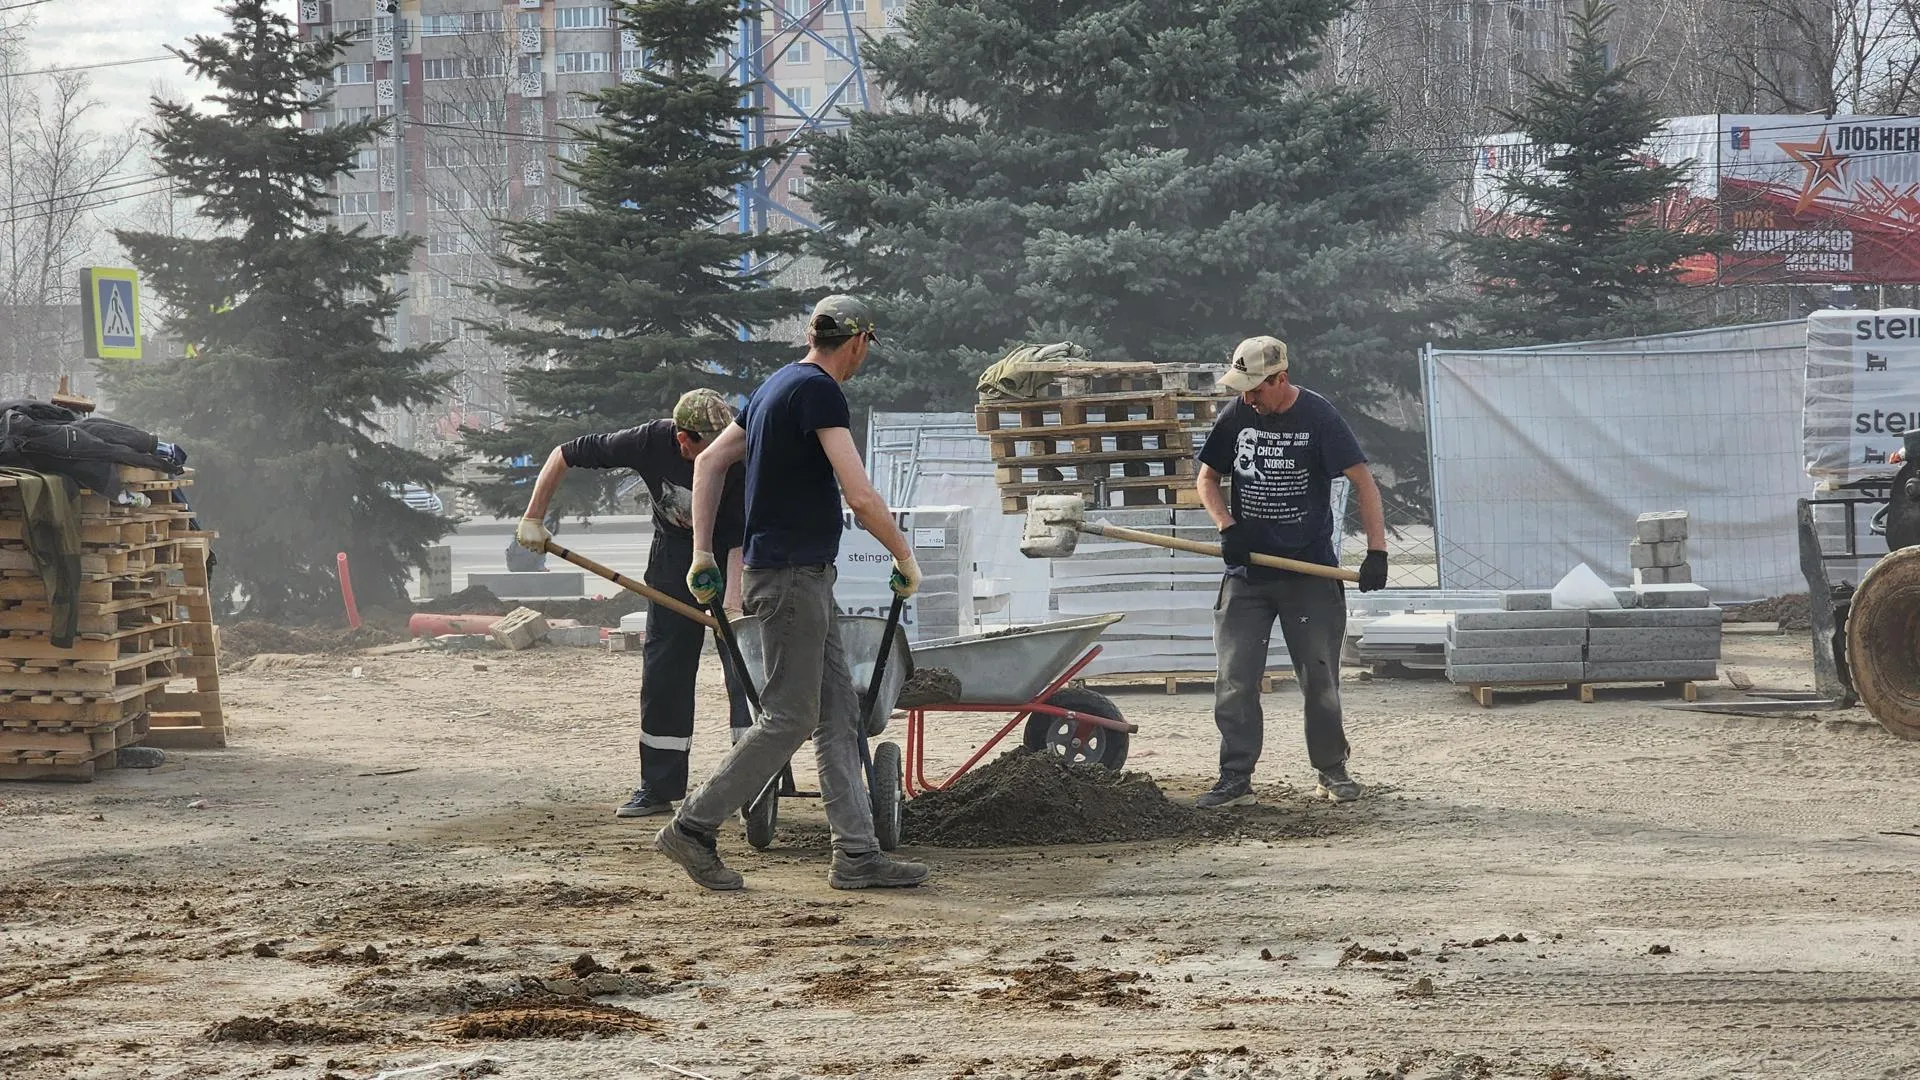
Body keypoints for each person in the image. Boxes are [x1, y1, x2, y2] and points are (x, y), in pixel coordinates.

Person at [656, 295, 929, 892]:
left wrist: (703, 553)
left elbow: (707, 466)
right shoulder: (821, 393)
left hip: (789, 575)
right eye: (864, 349)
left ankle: (856, 856)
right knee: (789, 715)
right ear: (858, 341)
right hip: (791, 577)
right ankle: (693, 826)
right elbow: (858, 494)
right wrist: (904, 554)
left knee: (838, 713)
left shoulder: (774, 386)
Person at [515, 389, 753, 818]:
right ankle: (658, 787)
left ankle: (753, 786)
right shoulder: (648, 441)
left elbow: (741, 537)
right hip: (671, 564)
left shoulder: (741, 453)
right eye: (709, 445)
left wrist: (732, 606)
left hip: (732, 556)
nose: (724, 452)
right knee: (664, 671)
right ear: (683, 440)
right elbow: (564, 453)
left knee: (745, 671)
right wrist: (534, 516)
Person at [1192, 336, 1389, 809]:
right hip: (1248, 574)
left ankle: (1331, 769)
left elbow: (1363, 481)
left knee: (1319, 678)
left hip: (1309, 572)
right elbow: (1206, 478)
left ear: (1280, 379)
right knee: (1235, 678)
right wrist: (1227, 525)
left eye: (1256, 388)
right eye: (1242, 389)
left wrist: (1377, 552)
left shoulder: (1319, 417)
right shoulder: (1237, 415)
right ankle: (1234, 777)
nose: (1247, 398)